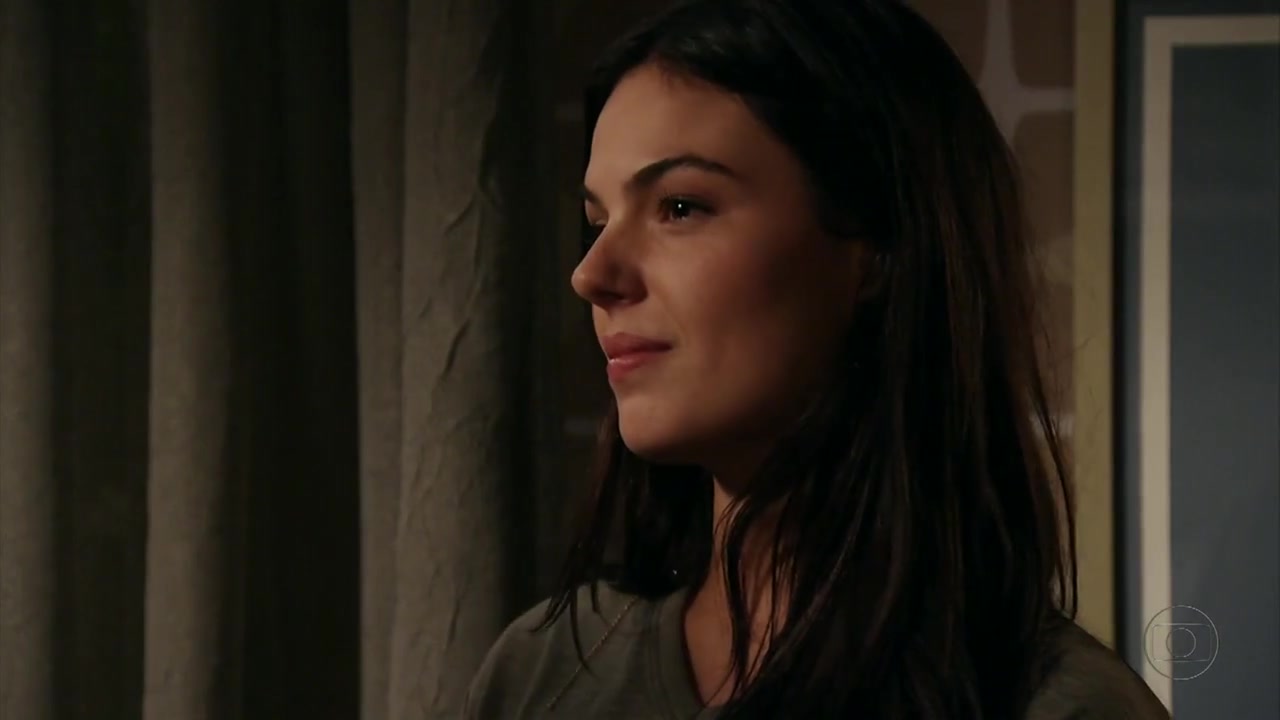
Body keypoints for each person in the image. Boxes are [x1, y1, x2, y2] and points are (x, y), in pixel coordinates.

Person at [465, 0, 1170, 717]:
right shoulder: (543, 672)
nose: (592, 274)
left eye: (679, 207)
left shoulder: (1058, 707)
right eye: (598, 221)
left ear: (879, 250)